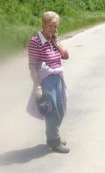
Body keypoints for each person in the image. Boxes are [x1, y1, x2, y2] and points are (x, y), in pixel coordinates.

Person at [28, 11, 70, 153]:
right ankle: (54, 141)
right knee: (52, 111)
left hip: (57, 77)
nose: (54, 29)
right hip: (45, 80)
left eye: (56, 26)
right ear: (43, 24)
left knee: (61, 109)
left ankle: (52, 136)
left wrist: (56, 43)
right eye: (51, 26)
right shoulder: (35, 41)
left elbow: (66, 56)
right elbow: (32, 65)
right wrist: (37, 85)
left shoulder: (53, 39)